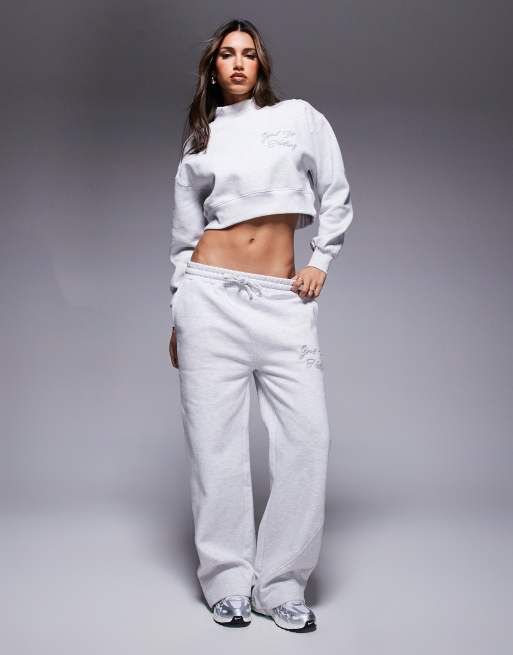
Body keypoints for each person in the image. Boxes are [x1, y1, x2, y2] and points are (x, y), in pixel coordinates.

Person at [168, 18, 354, 632]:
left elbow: (335, 191)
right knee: (215, 447)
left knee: (308, 440)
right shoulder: (201, 141)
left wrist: (321, 260)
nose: (239, 63)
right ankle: (226, 580)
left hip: (281, 302)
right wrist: (178, 313)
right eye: (227, 54)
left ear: (262, 64)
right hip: (208, 299)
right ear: (213, 68)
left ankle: (281, 583)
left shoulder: (298, 118)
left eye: (249, 53)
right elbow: (184, 238)